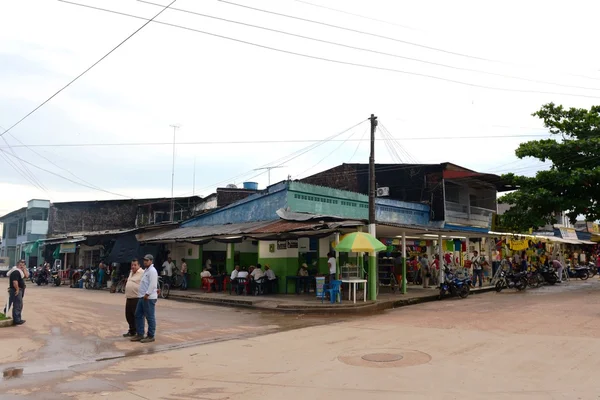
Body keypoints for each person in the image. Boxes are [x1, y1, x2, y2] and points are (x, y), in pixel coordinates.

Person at [131, 254, 158, 343]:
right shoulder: (146, 270)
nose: (145, 261)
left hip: (148, 298)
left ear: (151, 261)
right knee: (138, 314)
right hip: (142, 297)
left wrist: (147, 294)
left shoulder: (152, 271)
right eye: (144, 260)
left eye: (147, 260)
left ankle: (150, 335)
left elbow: (153, 284)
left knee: (150, 317)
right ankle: (140, 334)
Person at [123, 258, 144, 337]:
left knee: (137, 316)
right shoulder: (131, 272)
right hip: (129, 297)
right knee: (128, 315)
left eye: (135, 265)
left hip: (137, 298)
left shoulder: (142, 273)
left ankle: (139, 333)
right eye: (132, 265)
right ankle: (131, 331)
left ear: (139, 265)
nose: (133, 266)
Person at [8, 260, 27, 325]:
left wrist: (24, 269)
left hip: (19, 289)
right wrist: (17, 289)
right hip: (16, 290)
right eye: (20, 265)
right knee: (17, 305)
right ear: (17, 265)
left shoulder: (20, 272)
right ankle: (17, 320)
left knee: (19, 304)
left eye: (23, 265)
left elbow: (26, 276)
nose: (22, 266)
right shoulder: (16, 271)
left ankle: (17, 319)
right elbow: (14, 282)